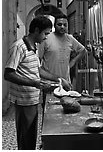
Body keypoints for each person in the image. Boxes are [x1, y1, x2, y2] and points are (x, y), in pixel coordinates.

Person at [4, 16, 70, 150]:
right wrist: (34, 83)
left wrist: (58, 79)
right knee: (25, 138)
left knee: (31, 137)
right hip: (23, 101)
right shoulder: (19, 47)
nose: (46, 37)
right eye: (45, 33)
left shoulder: (33, 47)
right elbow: (8, 74)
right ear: (36, 30)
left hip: (32, 100)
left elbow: (38, 70)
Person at [39, 14, 86, 91]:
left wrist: (73, 62)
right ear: (54, 25)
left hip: (65, 83)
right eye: (59, 24)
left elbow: (83, 50)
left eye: (65, 25)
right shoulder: (46, 38)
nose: (62, 27)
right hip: (49, 83)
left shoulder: (70, 39)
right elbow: (38, 62)